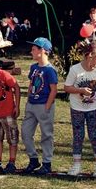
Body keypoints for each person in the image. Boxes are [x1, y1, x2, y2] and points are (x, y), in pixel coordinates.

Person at [64, 42, 96, 177]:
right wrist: (80, 90)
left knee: (94, 136)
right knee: (78, 136)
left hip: (93, 109)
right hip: (77, 109)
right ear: (89, 56)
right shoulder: (75, 69)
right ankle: (76, 164)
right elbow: (67, 87)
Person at [21, 38, 58, 174]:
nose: (31, 51)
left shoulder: (50, 70)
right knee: (25, 133)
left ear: (43, 51)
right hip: (32, 105)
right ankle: (33, 159)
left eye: (34, 49)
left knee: (46, 135)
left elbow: (53, 90)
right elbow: (32, 83)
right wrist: (29, 99)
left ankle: (47, 163)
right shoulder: (34, 67)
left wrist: (47, 107)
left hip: (44, 105)